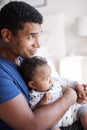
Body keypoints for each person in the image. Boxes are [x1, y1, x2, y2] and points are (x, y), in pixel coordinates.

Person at [0, 1, 86, 130]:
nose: (38, 45)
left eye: (39, 36)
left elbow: (48, 85)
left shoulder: (25, 60)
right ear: (7, 35)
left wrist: (74, 90)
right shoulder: (2, 73)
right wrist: (70, 96)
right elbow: (30, 126)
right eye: (31, 37)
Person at [19, 56, 87, 130]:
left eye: (50, 75)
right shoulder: (34, 95)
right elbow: (37, 111)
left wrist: (79, 88)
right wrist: (42, 102)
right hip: (54, 121)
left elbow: (71, 82)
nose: (50, 79)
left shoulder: (55, 81)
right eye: (46, 79)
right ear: (32, 84)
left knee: (84, 112)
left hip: (73, 110)